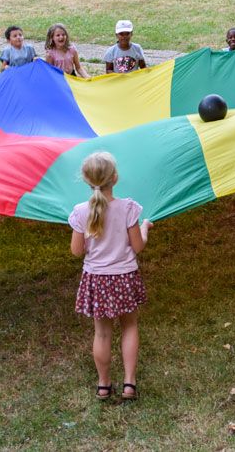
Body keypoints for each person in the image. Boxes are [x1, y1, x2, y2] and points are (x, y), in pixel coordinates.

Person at [69, 152, 152, 401]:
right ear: (115, 178)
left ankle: (104, 385)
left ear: (86, 180)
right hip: (124, 277)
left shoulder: (81, 212)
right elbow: (137, 247)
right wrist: (145, 228)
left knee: (102, 333)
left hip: (97, 279)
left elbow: (76, 251)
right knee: (129, 326)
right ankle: (129, 384)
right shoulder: (128, 208)